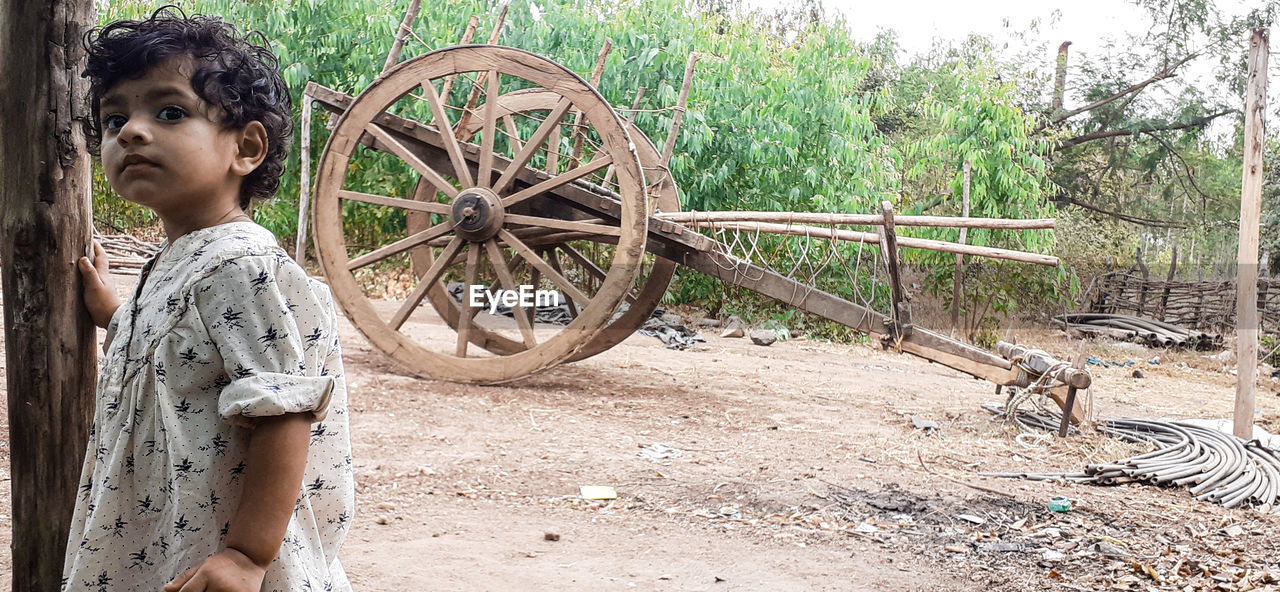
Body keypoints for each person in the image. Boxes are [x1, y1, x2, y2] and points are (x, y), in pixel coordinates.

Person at [66, 6, 353, 591]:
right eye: (113, 118)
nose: (130, 132)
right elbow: (188, 358)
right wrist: (115, 317)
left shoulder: (241, 266)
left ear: (245, 148)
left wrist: (247, 555)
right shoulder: (182, 260)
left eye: (169, 112)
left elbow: (283, 410)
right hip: (162, 533)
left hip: (217, 547)